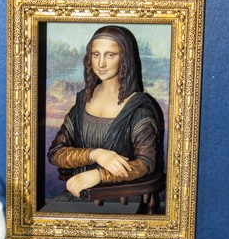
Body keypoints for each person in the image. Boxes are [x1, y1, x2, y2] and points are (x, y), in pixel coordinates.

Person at [47, 25, 163, 208]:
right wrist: (96, 154)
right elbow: (56, 153)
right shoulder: (82, 102)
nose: (101, 63)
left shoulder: (139, 109)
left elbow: (145, 163)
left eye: (110, 55)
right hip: (80, 193)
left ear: (124, 58)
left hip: (121, 198)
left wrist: (100, 175)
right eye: (96, 54)